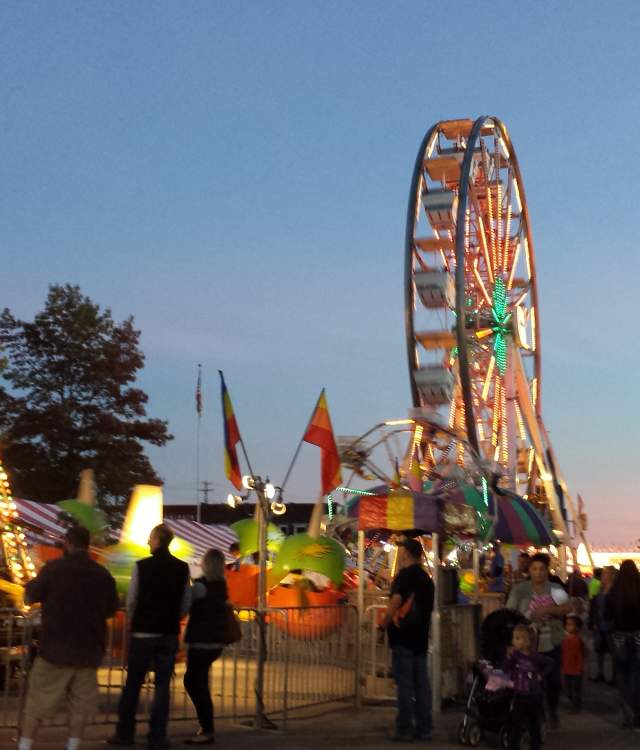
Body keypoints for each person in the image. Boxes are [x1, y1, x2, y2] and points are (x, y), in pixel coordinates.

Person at [18, 526, 118, 750]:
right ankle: (72, 747)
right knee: (80, 706)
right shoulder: (102, 574)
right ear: (87, 544)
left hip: (55, 649)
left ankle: (25, 746)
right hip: (89, 651)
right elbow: (111, 609)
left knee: (37, 702)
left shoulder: (54, 569)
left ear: (68, 543)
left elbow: (29, 596)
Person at [108, 524, 190, 750]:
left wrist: (136, 621)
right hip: (168, 633)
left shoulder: (141, 567)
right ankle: (157, 736)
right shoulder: (182, 568)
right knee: (162, 687)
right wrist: (174, 617)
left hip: (143, 632)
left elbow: (132, 600)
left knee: (133, 684)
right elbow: (185, 602)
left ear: (156, 540)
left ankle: (125, 732)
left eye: (150, 538)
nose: (147, 542)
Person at [506, 552, 571, 728]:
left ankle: (552, 709)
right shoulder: (520, 589)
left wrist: (549, 610)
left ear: (546, 570)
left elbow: (567, 606)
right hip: (528, 645)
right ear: (529, 570)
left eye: (542, 569)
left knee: (554, 680)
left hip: (552, 641)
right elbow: (509, 613)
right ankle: (537, 714)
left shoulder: (554, 588)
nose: (538, 572)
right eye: (534, 569)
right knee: (531, 682)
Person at [380, 538, 434, 742]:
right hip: (420, 638)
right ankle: (425, 727)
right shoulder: (427, 580)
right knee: (422, 684)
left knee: (405, 685)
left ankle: (404, 728)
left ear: (406, 554)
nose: (398, 555)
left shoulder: (404, 576)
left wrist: (383, 623)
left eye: (400, 552)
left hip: (403, 637)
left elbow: (396, 601)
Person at [183, 549, 229, 745]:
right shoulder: (222, 586)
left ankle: (207, 727)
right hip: (216, 641)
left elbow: (185, 607)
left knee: (194, 682)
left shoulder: (200, 587)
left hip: (201, 641)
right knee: (199, 682)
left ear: (206, 564)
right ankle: (206, 726)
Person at [503, 624, 553, 750]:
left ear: (526, 642)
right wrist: (508, 657)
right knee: (516, 724)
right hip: (519, 695)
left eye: (517, 638)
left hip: (534, 696)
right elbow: (505, 669)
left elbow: (550, 663)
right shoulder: (515, 656)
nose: (513, 641)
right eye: (514, 637)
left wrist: (541, 675)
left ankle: (535, 745)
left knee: (533, 723)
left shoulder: (535, 657)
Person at [604, 559, 640, 729]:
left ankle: (626, 710)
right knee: (637, 672)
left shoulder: (614, 592)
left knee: (622, 672)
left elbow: (606, 616)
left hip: (618, 636)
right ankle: (637, 711)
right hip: (638, 635)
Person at [589, 565, 616, 683]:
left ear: (612, 576)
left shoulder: (615, 591)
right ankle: (600, 673)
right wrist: (593, 621)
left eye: (606, 574)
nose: (603, 576)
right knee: (599, 650)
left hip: (610, 625)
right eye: (603, 574)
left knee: (613, 652)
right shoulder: (600, 589)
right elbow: (595, 607)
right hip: (599, 625)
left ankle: (614, 676)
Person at [562, 614, 585, 712]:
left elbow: (581, 655)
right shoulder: (564, 639)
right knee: (568, 690)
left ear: (577, 627)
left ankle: (576, 706)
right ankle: (575, 704)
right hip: (567, 668)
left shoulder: (578, 640)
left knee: (575, 690)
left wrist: (580, 667)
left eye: (571, 625)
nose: (569, 627)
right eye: (567, 624)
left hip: (576, 670)